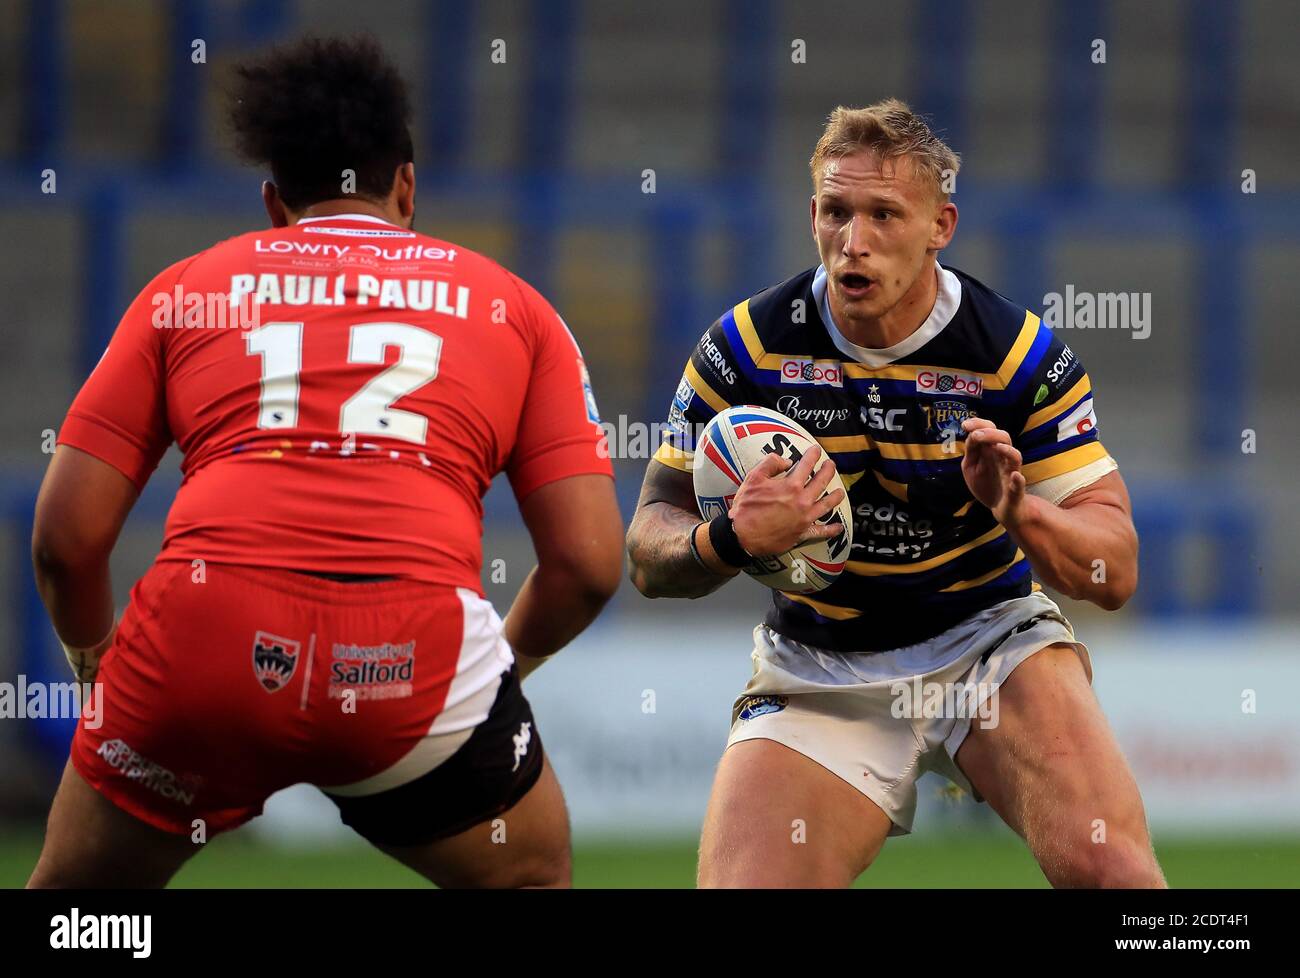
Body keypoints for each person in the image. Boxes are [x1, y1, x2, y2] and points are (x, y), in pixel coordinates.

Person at [28, 36, 621, 889]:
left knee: (77, 915)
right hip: (409, 656)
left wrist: (98, 668)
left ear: (274, 204)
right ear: (407, 186)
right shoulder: (517, 309)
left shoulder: (184, 288)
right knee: (528, 876)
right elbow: (590, 564)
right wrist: (502, 677)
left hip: (204, 646)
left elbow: (64, 538)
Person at [626, 99, 1164, 888]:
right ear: (811, 215)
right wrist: (728, 541)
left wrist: (1019, 510)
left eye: (885, 213)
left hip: (989, 646)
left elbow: (1111, 576)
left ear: (941, 225)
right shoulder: (743, 348)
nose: (856, 240)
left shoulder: (1016, 357)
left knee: (1116, 875)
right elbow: (646, 549)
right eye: (837, 211)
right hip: (821, 667)